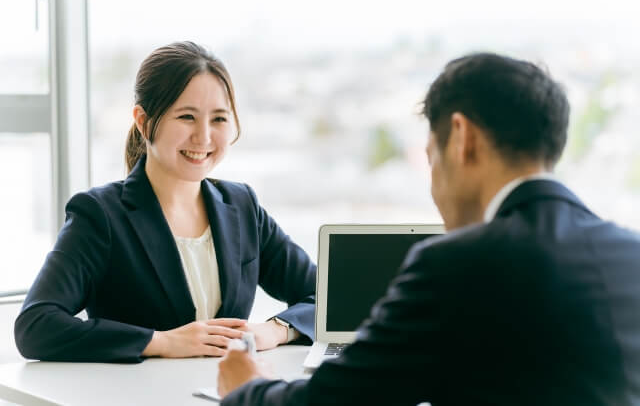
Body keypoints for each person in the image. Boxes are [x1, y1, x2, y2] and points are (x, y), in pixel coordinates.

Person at [217, 53, 640, 405]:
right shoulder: (630, 254)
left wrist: (248, 388)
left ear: (461, 138)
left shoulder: (457, 265)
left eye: (431, 157)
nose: (434, 183)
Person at [14, 41, 316, 363]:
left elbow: (332, 298)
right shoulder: (100, 215)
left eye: (218, 119)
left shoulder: (242, 206)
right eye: (187, 117)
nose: (203, 137)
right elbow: (36, 326)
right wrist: (160, 342)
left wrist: (277, 329)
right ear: (144, 122)